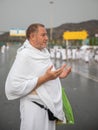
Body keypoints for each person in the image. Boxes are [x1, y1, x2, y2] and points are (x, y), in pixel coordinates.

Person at [5, 23, 71, 130]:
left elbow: (45, 75)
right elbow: (12, 87)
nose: (46, 38)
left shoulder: (43, 53)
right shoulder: (25, 55)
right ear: (32, 36)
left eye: (46, 35)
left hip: (48, 109)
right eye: (43, 35)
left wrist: (59, 76)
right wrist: (46, 78)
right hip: (34, 110)